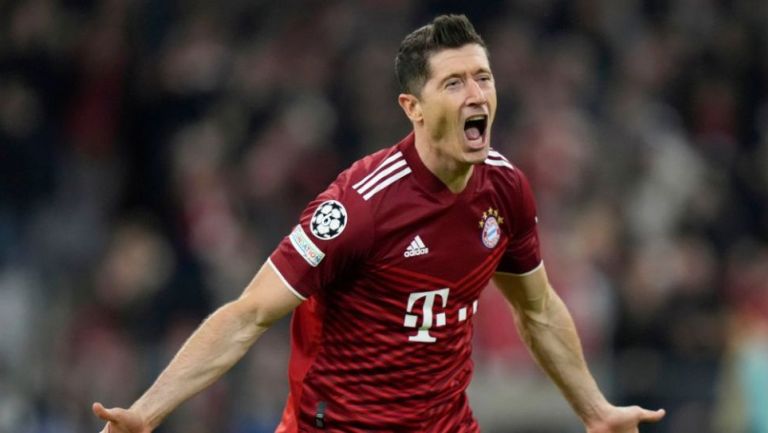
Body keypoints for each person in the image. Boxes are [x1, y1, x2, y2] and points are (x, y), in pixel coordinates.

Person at [93, 14, 666, 433]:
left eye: (483, 77)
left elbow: (536, 310)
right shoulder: (359, 206)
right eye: (454, 83)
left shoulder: (505, 189)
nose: (476, 95)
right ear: (413, 108)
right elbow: (248, 315)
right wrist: (147, 412)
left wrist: (595, 409)